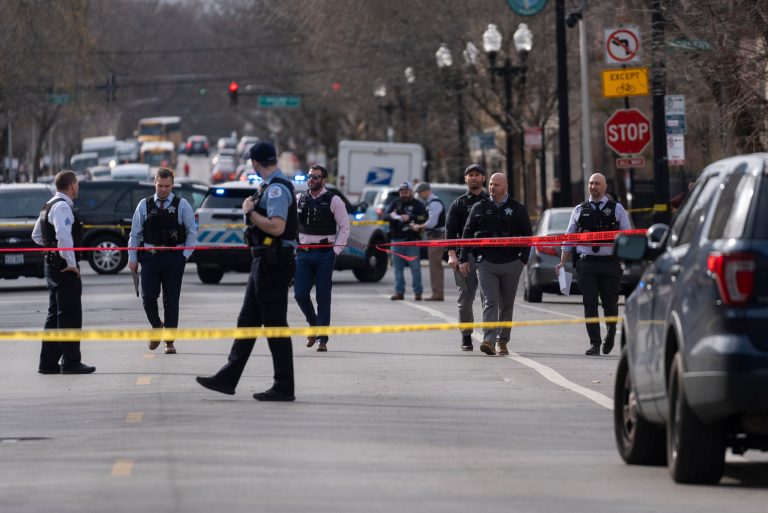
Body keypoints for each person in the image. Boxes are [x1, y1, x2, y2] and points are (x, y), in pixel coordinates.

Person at [196, 141, 298, 401]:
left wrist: (250, 212)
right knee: (247, 322)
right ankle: (227, 378)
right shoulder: (268, 186)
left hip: (274, 264)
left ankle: (284, 386)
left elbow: (276, 227)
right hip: (263, 262)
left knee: (275, 325)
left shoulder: (276, 189)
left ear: (255, 162)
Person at [555, 172, 632, 356]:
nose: (593, 186)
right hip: (586, 263)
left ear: (605, 187)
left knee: (610, 303)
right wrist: (562, 262)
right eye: (591, 183)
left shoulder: (617, 209)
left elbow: (627, 235)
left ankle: (611, 333)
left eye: (597, 183)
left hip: (609, 263)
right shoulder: (579, 209)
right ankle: (595, 343)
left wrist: (624, 257)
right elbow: (569, 238)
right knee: (589, 303)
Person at [459, 173, 532, 356]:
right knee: (490, 301)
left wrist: (522, 260)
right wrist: (464, 258)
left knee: (506, 304)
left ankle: (502, 341)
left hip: (511, 263)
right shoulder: (480, 207)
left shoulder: (517, 209)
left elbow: (528, 236)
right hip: (486, 263)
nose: (492, 187)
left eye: (496, 185)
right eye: (491, 184)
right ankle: (489, 340)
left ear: (505, 187)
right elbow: (467, 233)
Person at [128, 168, 197, 355]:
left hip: (174, 258)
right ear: (155, 184)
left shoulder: (182, 205)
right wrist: (132, 257)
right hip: (150, 257)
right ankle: (157, 325)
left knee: (171, 300)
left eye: (167, 186)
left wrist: (185, 256)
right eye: (160, 186)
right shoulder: (144, 205)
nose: (163, 190)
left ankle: (169, 341)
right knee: (148, 297)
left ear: (172, 185)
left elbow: (192, 232)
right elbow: (135, 234)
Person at [32, 170, 95, 374]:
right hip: (64, 269)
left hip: (52, 267)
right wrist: (70, 262)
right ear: (72, 185)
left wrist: (51, 250)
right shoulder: (62, 207)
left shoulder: (48, 205)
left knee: (54, 315)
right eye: (77, 184)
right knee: (70, 315)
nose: (78, 188)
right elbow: (64, 236)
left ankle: (48, 363)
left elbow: (37, 236)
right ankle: (71, 362)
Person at [294, 164, 350, 352]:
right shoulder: (299, 199)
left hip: (325, 253)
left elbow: (344, 227)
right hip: (304, 253)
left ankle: (322, 338)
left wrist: (335, 251)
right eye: (309, 176)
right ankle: (313, 323)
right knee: (300, 294)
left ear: (323, 180)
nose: (311, 180)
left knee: (323, 296)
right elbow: (292, 225)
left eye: (316, 177)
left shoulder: (334, 200)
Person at [445, 164, 489, 351]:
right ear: (465, 179)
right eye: (470, 175)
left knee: (490, 300)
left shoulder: (490, 201)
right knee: (465, 300)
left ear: (483, 178)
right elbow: (450, 231)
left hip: (488, 257)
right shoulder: (459, 203)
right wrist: (452, 255)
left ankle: (490, 337)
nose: (474, 178)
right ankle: (466, 336)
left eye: (477, 174)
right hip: (465, 257)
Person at [385, 182, 427, 301]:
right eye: (401, 192)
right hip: (396, 240)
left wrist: (410, 217)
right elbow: (384, 216)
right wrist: (394, 216)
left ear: (411, 192)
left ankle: (418, 292)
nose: (403, 193)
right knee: (397, 269)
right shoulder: (395, 203)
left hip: (412, 241)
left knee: (415, 268)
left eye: (406, 191)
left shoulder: (418, 204)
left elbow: (424, 217)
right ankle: (399, 292)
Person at [412, 182, 446, 301]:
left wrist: (418, 226)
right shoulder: (432, 202)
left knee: (435, 266)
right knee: (435, 265)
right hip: (435, 236)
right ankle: (437, 293)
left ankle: (437, 294)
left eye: (420, 193)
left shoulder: (434, 203)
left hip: (437, 236)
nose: (419, 195)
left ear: (426, 191)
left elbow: (432, 223)